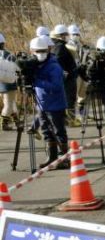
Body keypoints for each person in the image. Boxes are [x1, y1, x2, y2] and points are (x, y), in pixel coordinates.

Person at [30, 35, 70, 169]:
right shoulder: (35, 64)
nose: (40, 54)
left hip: (55, 104)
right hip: (42, 104)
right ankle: (52, 158)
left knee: (58, 131)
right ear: (32, 51)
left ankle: (65, 158)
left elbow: (56, 86)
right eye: (37, 51)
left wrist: (37, 81)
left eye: (43, 51)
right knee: (46, 131)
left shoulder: (53, 66)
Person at [50, 24, 80, 126]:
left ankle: (67, 119)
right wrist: (64, 72)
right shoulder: (60, 47)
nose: (67, 36)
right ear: (61, 36)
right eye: (65, 34)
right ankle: (71, 120)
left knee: (67, 99)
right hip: (68, 79)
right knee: (70, 99)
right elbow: (58, 61)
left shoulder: (57, 46)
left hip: (67, 77)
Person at [0, 33, 18, 131]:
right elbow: (17, 66)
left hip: (0, 84)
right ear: (3, 43)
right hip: (8, 84)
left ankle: (16, 120)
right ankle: (4, 124)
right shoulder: (7, 54)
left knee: (10, 102)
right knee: (9, 104)